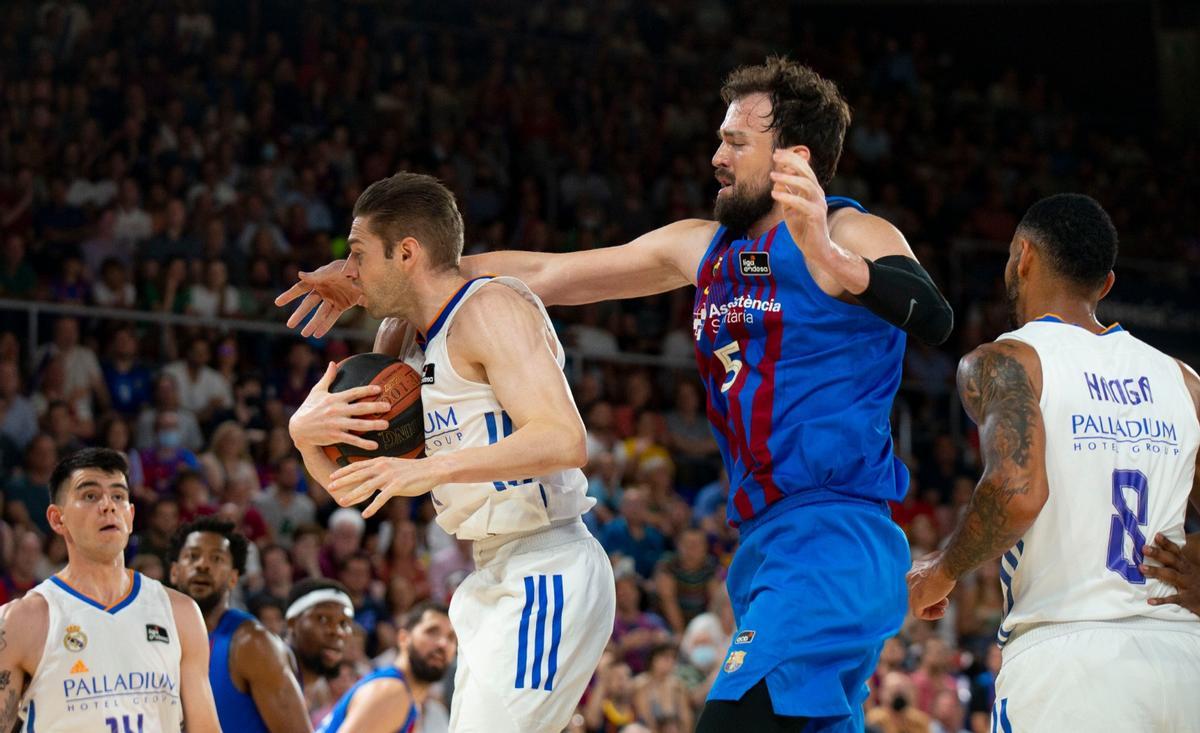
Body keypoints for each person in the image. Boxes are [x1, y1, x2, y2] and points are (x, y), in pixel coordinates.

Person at [278, 57, 953, 732]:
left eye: (737, 143)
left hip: (834, 527)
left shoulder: (852, 233)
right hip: (766, 539)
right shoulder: (701, 249)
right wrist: (377, 278)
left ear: (793, 158)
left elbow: (934, 316)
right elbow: (547, 271)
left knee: (731, 723)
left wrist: (831, 260)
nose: (717, 156)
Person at [287, 172, 615, 733]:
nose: (347, 270)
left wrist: (432, 467)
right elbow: (355, 486)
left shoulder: (488, 308)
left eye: (358, 255)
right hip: (488, 573)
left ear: (407, 252)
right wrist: (304, 434)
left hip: (546, 566)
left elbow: (564, 439)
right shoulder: (398, 340)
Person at [906, 194, 1200, 730]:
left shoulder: (1006, 361)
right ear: (1106, 285)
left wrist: (941, 571)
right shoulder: (1182, 379)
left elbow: (1018, 492)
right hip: (1185, 662)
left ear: (1021, 256)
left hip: (1069, 664)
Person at [0, 447, 220, 731]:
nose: (108, 505)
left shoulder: (181, 613)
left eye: (118, 495)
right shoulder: (21, 621)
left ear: (129, 516)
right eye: (90, 495)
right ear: (57, 519)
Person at [169, 516, 312, 732]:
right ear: (174, 571)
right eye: (192, 556)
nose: (203, 565)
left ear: (233, 578)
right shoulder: (157, 641)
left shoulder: (253, 644)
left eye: (216, 559)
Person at [316, 601, 457, 733]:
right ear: (403, 638)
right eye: (432, 631)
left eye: (451, 637)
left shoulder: (409, 701)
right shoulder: (391, 691)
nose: (442, 643)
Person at [285, 578, 355, 717]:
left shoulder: (309, 688)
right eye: (323, 619)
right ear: (292, 623)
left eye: (344, 624)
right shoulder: (273, 672)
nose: (337, 632)